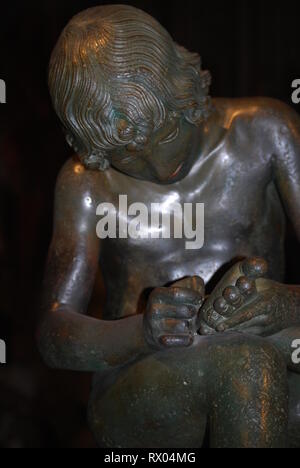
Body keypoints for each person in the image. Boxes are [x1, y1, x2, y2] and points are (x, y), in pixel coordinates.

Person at [38, 4, 300, 447]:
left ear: (184, 93)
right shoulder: (86, 183)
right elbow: (54, 333)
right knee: (245, 363)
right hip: (144, 381)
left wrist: (281, 304)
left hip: (275, 349)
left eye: (161, 138)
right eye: (125, 156)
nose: (156, 167)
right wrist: (140, 331)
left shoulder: (267, 132)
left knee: (262, 368)